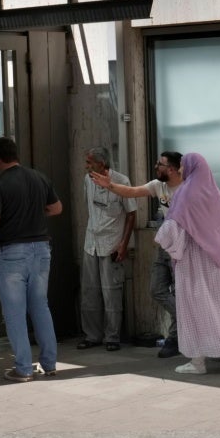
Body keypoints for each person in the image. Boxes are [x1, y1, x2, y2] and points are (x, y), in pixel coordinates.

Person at [153, 153, 220, 374]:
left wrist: (161, 239)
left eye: (183, 166)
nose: (181, 170)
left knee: (194, 309)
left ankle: (197, 362)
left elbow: (173, 228)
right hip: (218, 261)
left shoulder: (185, 193)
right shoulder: (212, 192)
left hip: (194, 263)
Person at [0, 137, 61, 382]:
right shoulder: (38, 177)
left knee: (15, 312)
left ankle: (24, 368)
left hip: (11, 252)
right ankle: (49, 363)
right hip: (41, 250)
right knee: (40, 306)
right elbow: (56, 208)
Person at [90, 151, 183, 357]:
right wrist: (110, 186)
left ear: (173, 169)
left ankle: (176, 338)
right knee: (157, 290)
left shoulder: (188, 188)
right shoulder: (159, 186)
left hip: (184, 249)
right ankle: (187, 320)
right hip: (164, 246)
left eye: (160, 164)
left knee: (180, 294)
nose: (156, 166)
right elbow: (132, 192)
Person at [77, 147, 136, 351]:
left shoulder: (122, 181)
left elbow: (131, 214)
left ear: (101, 164)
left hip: (112, 243)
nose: (86, 166)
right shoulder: (87, 180)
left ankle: (112, 337)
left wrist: (124, 243)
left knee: (111, 292)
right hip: (91, 242)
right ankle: (92, 335)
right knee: (89, 291)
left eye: (89, 162)